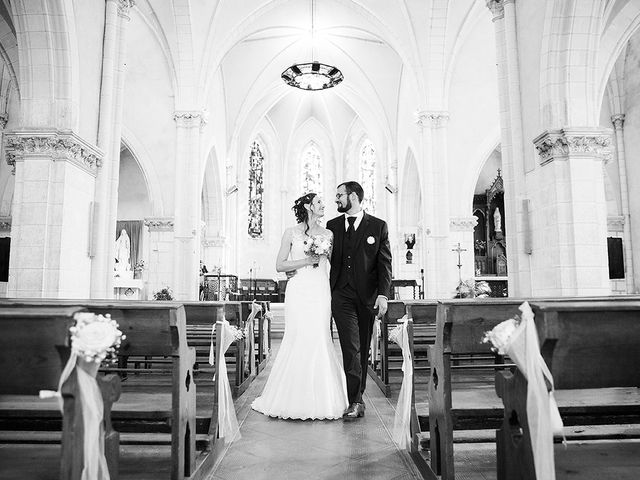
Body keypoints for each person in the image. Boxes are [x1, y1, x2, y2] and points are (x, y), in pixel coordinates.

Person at [251, 193, 348, 420]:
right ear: (308, 206)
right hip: (298, 290)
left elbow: (336, 264)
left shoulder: (329, 234)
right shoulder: (291, 232)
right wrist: (306, 261)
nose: (325, 206)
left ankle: (324, 397)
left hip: (320, 290)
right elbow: (279, 264)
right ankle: (292, 397)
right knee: (297, 336)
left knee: (319, 336)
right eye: (320, 203)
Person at [327, 181, 392, 420]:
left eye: (339, 196)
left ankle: (358, 395)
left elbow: (384, 264)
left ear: (352, 197)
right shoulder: (332, 226)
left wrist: (383, 295)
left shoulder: (377, 226)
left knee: (362, 348)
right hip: (341, 295)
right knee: (351, 347)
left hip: (367, 298)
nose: (336, 200)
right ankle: (355, 400)